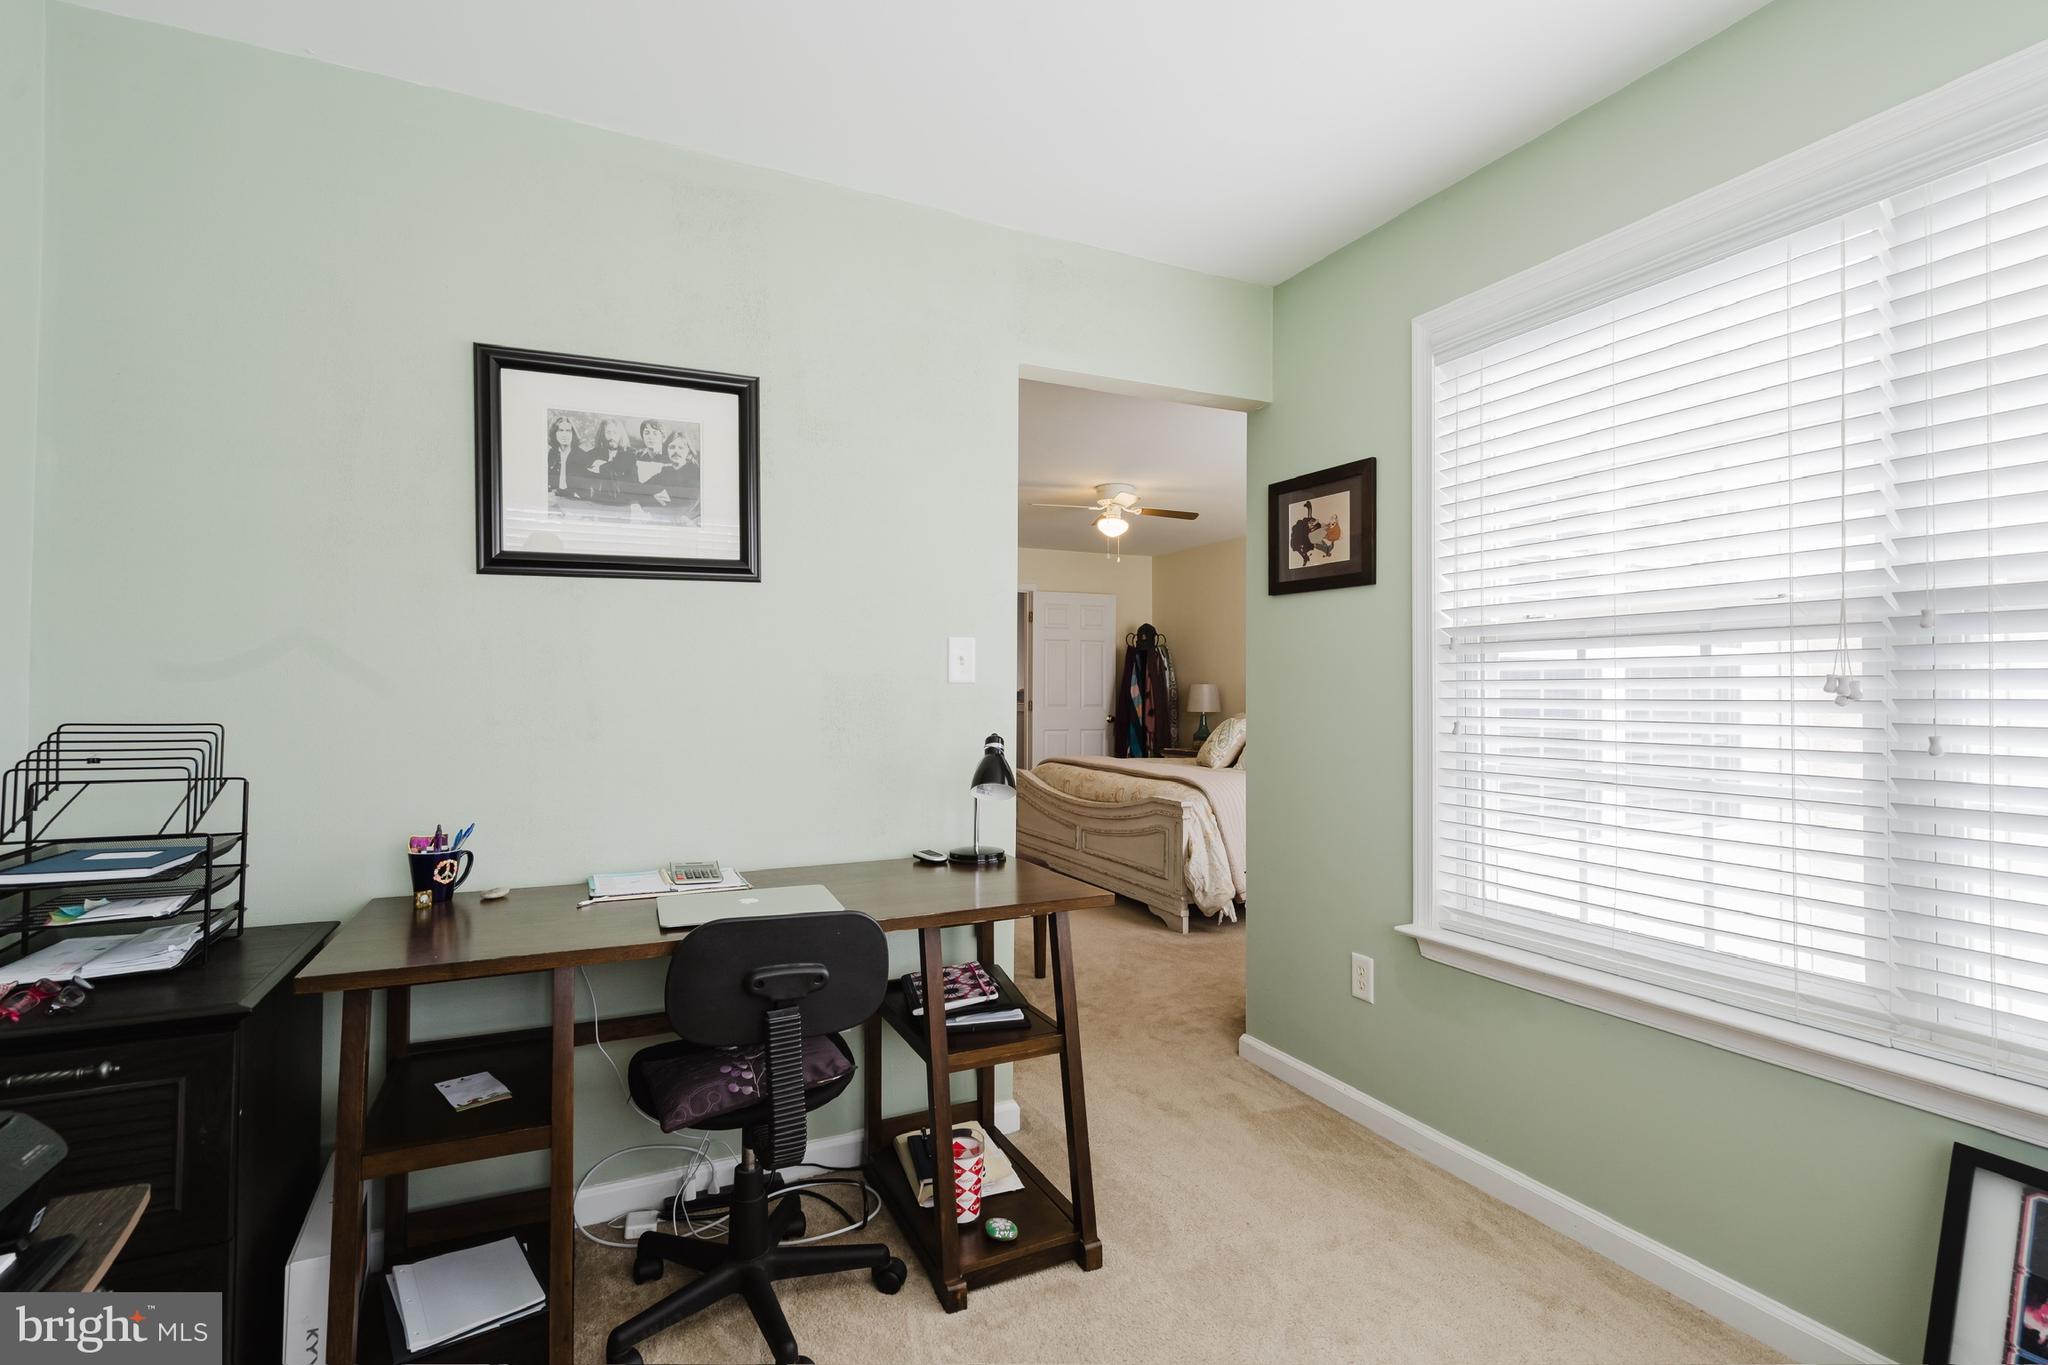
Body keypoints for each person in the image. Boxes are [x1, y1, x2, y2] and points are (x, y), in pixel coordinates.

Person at [650, 428, 701, 525]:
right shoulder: (666, 471)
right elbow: (642, 488)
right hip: (670, 520)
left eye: (681, 448)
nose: (676, 451)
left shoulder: (696, 473)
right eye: (672, 447)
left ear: (689, 453)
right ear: (667, 450)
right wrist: (654, 496)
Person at [545, 414, 580, 500]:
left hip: (575, 500)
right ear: (555, 433)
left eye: (568, 431)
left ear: (573, 434)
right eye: (561, 430)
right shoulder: (551, 454)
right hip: (554, 499)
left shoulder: (581, 455)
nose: (564, 434)